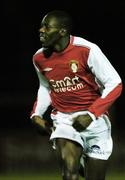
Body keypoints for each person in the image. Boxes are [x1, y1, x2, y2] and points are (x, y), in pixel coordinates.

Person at [30, 10, 122, 180]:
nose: (41, 30)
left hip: (95, 120)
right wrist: (36, 114)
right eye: (41, 26)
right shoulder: (39, 58)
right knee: (69, 175)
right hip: (64, 119)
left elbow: (115, 83)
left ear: (62, 31)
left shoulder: (87, 50)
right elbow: (45, 87)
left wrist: (91, 114)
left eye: (46, 27)